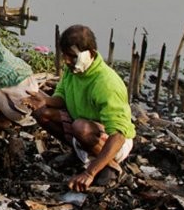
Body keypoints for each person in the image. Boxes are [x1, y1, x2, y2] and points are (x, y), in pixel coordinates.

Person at [24, 25, 136, 191]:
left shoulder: (106, 83)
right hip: (84, 129)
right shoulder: (74, 71)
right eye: (65, 55)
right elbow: (62, 99)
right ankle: (78, 155)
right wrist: (45, 100)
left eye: (71, 56)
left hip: (115, 143)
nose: (67, 61)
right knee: (42, 113)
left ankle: (110, 167)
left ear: (89, 53)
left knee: (81, 127)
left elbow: (118, 135)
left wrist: (90, 173)